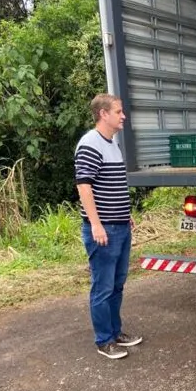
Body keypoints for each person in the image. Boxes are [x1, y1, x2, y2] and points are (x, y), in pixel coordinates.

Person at [74, 94, 143, 359]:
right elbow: (84, 186)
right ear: (103, 114)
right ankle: (104, 340)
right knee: (102, 286)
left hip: (120, 226)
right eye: (118, 111)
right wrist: (96, 224)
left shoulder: (112, 144)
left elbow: (112, 185)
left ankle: (116, 332)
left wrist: (125, 214)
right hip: (104, 231)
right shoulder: (90, 144)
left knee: (117, 284)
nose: (123, 116)